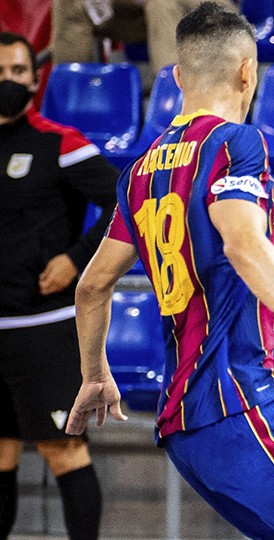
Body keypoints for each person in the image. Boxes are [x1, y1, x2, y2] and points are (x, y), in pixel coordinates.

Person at [64, 4, 274, 539]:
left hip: (183, 420)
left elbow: (91, 287)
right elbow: (241, 243)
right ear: (247, 72)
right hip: (237, 398)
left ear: (177, 76)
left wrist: (94, 376)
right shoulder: (236, 143)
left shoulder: (138, 172)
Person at [0, 31, 118, 540]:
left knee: (63, 450)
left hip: (45, 328)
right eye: (0, 73)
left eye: (17, 71)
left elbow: (124, 201)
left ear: (35, 79)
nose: (8, 81)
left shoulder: (59, 142)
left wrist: (76, 259)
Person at [51, 0, 235, 76]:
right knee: (69, 2)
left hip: (201, 10)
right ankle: (69, 97)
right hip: (136, 16)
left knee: (161, 5)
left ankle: (174, 100)